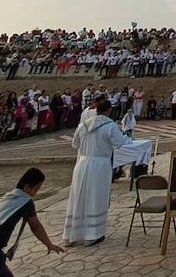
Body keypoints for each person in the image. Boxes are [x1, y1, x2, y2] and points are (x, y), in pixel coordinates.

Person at [0, 168, 64, 276]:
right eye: (36, 189)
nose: (35, 194)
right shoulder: (25, 201)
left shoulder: (3, 199)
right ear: (27, 187)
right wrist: (49, 244)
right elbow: (35, 226)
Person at [62, 100, 132, 246]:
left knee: (78, 197)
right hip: (100, 165)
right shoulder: (110, 125)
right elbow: (119, 143)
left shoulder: (83, 125)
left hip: (82, 163)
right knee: (96, 198)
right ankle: (92, 235)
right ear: (108, 111)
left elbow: (75, 144)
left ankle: (70, 235)